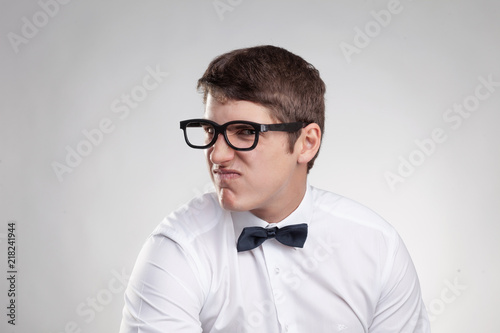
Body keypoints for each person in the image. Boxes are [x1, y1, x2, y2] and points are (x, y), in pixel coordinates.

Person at [119, 45, 430, 333]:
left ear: (307, 143)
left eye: (244, 132)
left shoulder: (378, 246)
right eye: (211, 131)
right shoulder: (177, 250)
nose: (217, 155)